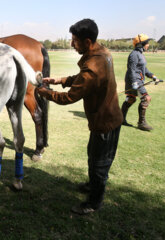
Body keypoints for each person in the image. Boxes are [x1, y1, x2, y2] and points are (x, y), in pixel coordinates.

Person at [36, 19, 123, 215]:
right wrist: (59, 80)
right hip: (105, 119)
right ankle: (93, 184)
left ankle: (94, 202)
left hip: (105, 122)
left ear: (88, 42)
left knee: (99, 164)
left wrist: (45, 92)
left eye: (75, 41)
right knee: (93, 156)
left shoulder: (93, 65)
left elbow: (69, 97)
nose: (72, 44)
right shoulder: (102, 53)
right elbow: (82, 79)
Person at [121, 34, 160, 131]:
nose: (148, 45)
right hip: (134, 81)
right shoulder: (134, 54)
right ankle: (141, 123)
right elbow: (131, 70)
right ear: (140, 44)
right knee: (146, 98)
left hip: (136, 80)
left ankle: (120, 119)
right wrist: (134, 83)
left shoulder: (140, 54)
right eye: (146, 43)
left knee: (131, 99)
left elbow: (144, 69)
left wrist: (152, 76)